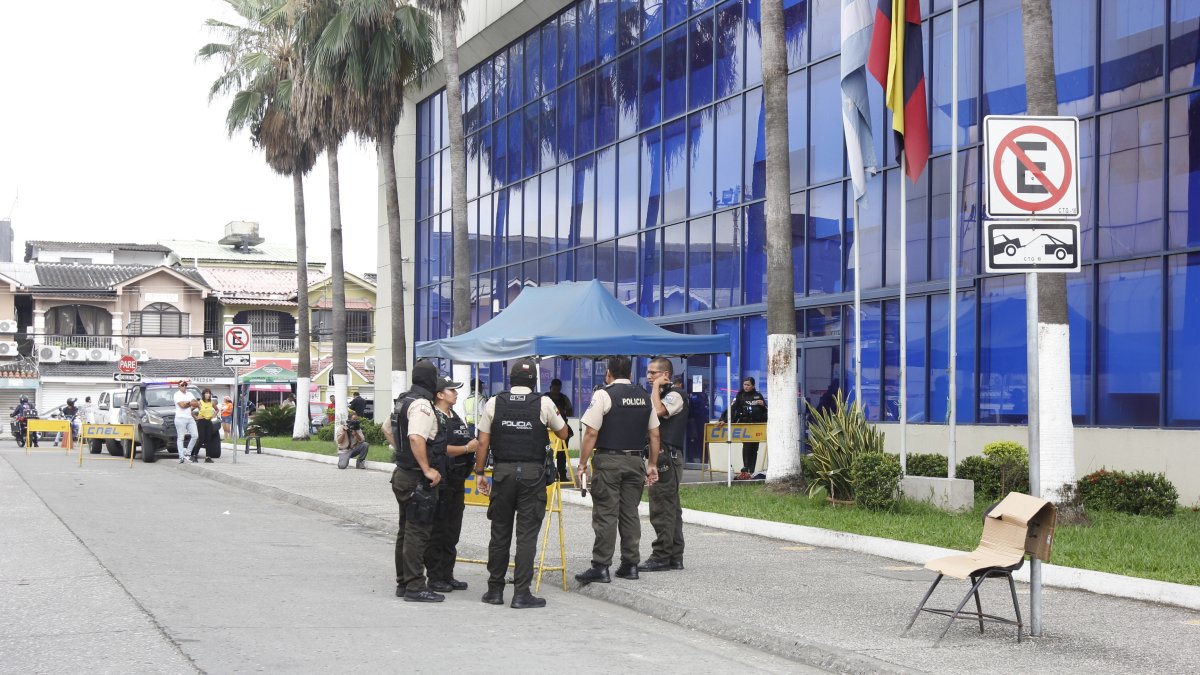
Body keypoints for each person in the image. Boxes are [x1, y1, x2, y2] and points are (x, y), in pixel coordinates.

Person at [475, 358, 569, 608]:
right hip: (532, 475)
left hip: (503, 473)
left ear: (511, 380)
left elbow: (483, 442)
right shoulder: (545, 402)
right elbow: (564, 433)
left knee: (500, 533)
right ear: (533, 382)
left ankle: (494, 591)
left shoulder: (495, 402)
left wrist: (480, 472)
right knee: (526, 536)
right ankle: (521, 594)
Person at [575, 356, 660, 585]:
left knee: (606, 514)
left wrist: (582, 464)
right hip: (635, 462)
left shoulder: (604, 394)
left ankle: (601, 567)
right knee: (630, 513)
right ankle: (630, 565)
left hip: (609, 462)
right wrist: (651, 465)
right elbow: (654, 435)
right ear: (630, 374)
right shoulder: (644, 396)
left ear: (608, 373)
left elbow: (591, 433)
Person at [390, 360, 446, 603]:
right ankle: (414, 586)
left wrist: (402, 453)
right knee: (417, 532)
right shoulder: (422, 405)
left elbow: (387, 429)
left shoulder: (403, 400)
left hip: (402, 472)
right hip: (415, 477)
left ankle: (403, 582)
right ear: (430, 381)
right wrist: (427, 468)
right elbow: (415, 437)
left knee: (405, 530)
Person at [424, 376, 479, 594]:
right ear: (439, 394)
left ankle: (448, 574)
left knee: (452, 530)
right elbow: (440, 448)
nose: (456, 393)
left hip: (457, 480)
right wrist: (467, 449)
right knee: (439, 529)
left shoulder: (453, 415)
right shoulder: (433, 416)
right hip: (443, 480)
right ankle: (435, 576)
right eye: (452, 390)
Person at [639, 358, 688, 572]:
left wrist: (657, 388)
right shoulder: (662, 394)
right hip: (663, 454)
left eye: (654, 373)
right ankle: (675, 556)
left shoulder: (675, 395)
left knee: (662, 506)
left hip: (666, 455)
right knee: (671, 508)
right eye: (648, 373)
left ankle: (661, 556)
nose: (649, 377)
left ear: (666, 374)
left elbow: (656, 412)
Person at [719, 376, 768, 475]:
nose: (746, 387)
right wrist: (723, 419)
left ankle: (751, 470)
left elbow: (766, 410)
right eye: (744, 384)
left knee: (755, 447)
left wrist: (763, 405)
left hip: (756, 425)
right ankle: (745, 469)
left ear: (753, 386)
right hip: (745, 425)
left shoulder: (758, 395)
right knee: (747, 446)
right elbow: (732, 408)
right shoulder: (740, 396)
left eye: (748, 385)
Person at [543, 378, 574, 481]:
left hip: (561, 428)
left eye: (558, 390)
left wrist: (562, 412)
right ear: (550, 388)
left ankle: (563, 475)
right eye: (554, 389)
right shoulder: (545, 398)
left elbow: (570, 412)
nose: (556, 392)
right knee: (546, 452)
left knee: (562, 454)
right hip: (546, 430)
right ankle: (547, 473)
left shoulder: (564, 398)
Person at [174, 381, 199, 463]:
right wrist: (190, 403)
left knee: (195, 435)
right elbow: (182, 406)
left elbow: (196, 404)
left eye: (185, 385)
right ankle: (181, 456)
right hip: (180, 418)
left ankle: (188, 453)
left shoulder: (190, 394)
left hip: (189, 417)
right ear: (179, 386)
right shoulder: (177, 394)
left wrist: (188, 403)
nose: (184, 386)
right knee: (181, 438)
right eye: (182, 385)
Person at [192, 388, 219, 463]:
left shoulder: (212, 402)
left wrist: (214, 415)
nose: (208, 395)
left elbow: (217, 410)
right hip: (201, 422)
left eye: (209, 393)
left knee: (208, 439)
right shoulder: (199, 402)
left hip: (208, 421)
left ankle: (208, 457)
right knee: (201, 439)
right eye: (206, 393)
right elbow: (191, 411)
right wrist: (196, 417)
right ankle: (194, 455)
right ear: (203, 394)